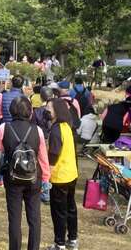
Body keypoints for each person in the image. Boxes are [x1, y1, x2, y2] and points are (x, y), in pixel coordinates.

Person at [0, 96, 51, 250]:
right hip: (34, 177)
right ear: (30, 112)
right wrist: (46, 177)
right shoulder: (37, 130)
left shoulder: (3, 128)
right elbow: (42, 156)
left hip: (12, 177)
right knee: (34, 218)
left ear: (11, 111)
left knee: (14, 218)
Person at [46, 98, 79, 250]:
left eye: (49, 108)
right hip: (71, 174)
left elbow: (53, 154)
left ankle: (59, 243)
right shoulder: (67, 126)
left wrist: (47, 177)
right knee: (70, 207)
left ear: (56, 111)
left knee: (59, 211)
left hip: (60, 177)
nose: (46, 111)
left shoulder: (56, 129)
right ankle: (73, 239)